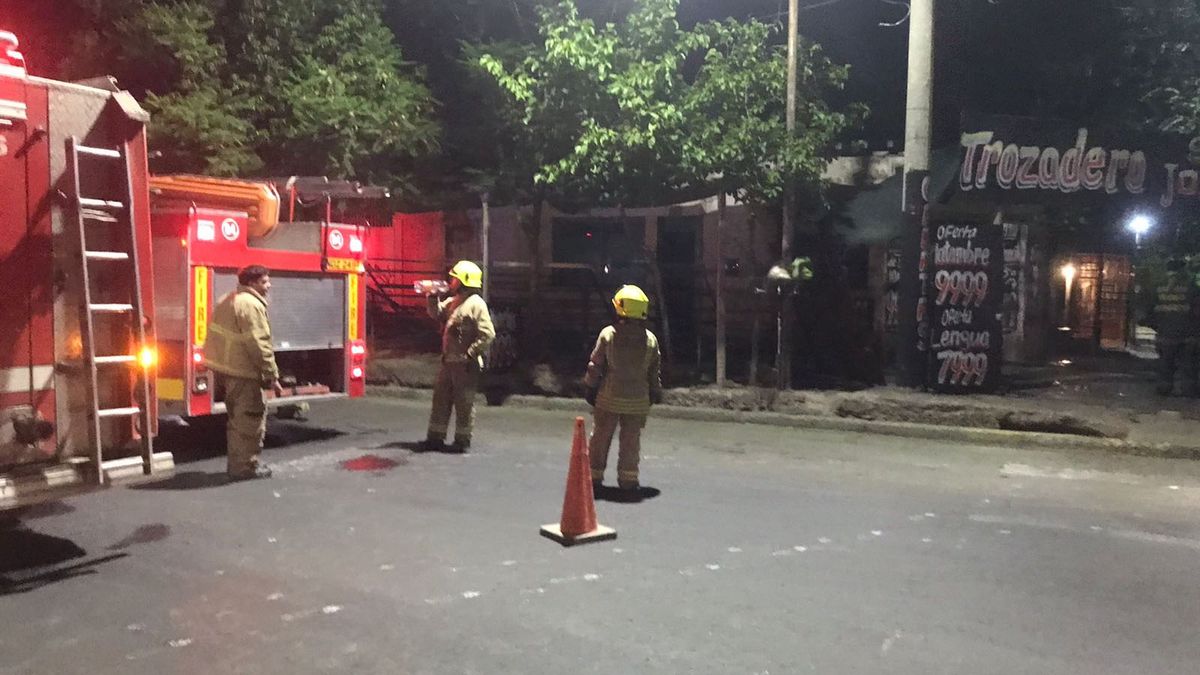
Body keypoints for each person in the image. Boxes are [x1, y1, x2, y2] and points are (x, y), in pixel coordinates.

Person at [205, 265, 283, 480]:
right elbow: (259, 344)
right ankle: (244, 468)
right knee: (249, 421)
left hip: (229, 369)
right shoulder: (250, 305)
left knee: (237, 420)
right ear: (252, 283)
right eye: (265, 282)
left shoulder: (229, 298)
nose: (269, 286)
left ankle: (238, 464)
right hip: (244, 371)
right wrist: (271, 375)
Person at [584, 285, 663, 493]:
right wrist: (655, 391)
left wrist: (590, 388)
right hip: (638, 402)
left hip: (609, 398)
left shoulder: (608, 335)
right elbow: (653, 372)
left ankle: (594, 476)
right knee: (631, 442)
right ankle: (628, 479)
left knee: (600, 438)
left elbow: (595, 366)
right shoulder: (651, 340)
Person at [422, 260, 495, 452]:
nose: (451, 281)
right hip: (449, 362)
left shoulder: (476, 304)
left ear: (464, 281)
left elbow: (488, 334)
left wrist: (471, 353)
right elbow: (436, 313)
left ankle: (462, 440)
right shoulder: (455, 302)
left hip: (465, 365)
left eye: (454, 278)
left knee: (464, 403)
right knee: (441, 400)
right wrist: (432, 295)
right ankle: (435, 437)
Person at [1150, 258, 1200, 396]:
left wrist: (1158, 327)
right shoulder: (1190, 286)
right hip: (1187, 335)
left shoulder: (1158, 286)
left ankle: (1164, 388)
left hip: (1164, 334)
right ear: (1182, 270)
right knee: (1189, 364)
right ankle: (1188, 389)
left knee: (1165, 363)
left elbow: (1150, 309)